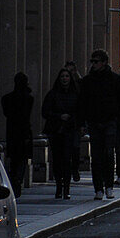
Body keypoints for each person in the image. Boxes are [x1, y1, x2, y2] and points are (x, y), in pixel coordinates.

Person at [78, 49, 120, 200]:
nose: (93, 64)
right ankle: (98, 188)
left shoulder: (114, 79)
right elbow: (82, 103)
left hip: (110, 120)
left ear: (104, 62)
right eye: (92, 61)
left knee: (109, 154)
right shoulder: (87, 81)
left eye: (96, 61)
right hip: (94, 121)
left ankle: (109, 186)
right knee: (97, 156)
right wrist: (81, 122)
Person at [42, 69, 78, 199]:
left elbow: (79, 111)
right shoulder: (52, 94)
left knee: (67, 159)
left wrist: (71, 119)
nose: (64, 78)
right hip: (56, 130)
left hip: (69, 130)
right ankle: (58, 186)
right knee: (57, 159)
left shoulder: (75, 94)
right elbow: (45, 112)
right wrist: (59, 116)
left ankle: (66, 188)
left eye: (67, 76)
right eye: (62, 76)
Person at [1, 72, 34, 198]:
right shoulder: (28, 98)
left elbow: (6, 113)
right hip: (24, 132)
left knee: (14, 159)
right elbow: (26, 116)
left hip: (12, 132)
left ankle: (14, 179)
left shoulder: (6, 99)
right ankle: (17, 180)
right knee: (22, 159)